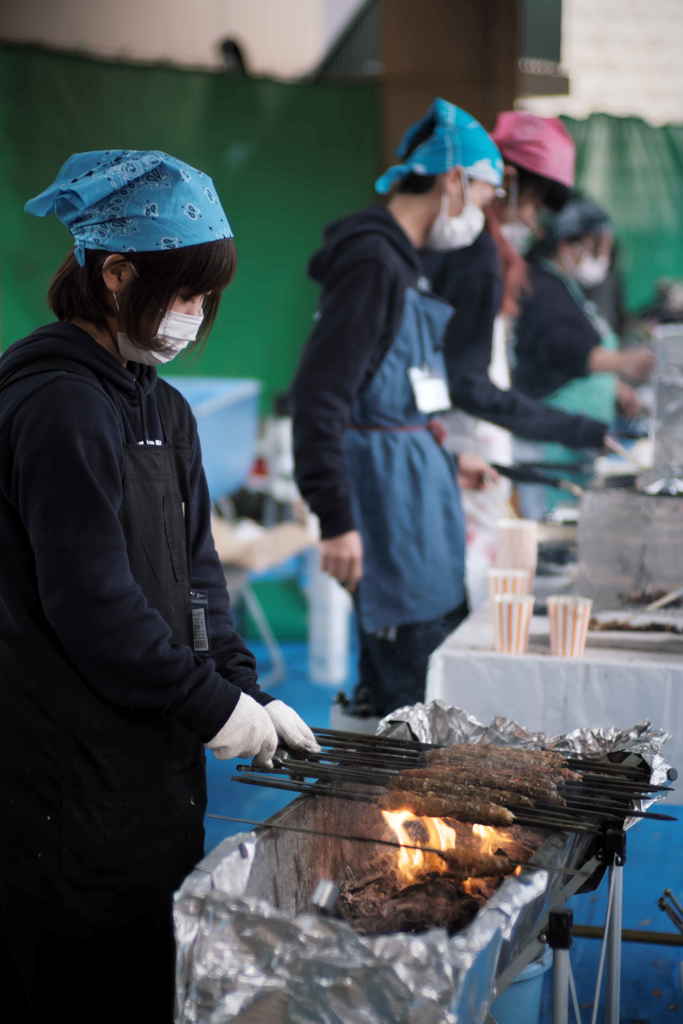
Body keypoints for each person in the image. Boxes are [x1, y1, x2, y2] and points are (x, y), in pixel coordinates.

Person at [0, 150, 318, 1023]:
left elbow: (197, 577)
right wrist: (212, 709)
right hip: (60, 772)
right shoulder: (58, 405)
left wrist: (243, 686)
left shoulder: (162, 408)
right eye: (183, 294)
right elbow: (93, 607)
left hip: (145, 761)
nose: (194, 316)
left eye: (206, 299)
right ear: (115, 272)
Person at [292, 98, 501, 720]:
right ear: (453, 180)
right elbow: (321, 392)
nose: (482, 216)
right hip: (386, 510)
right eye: (485, 198)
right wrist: (335, 516)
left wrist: (442, 457)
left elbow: (385, 393)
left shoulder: (399, 262)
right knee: (407, 697)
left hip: (414, 488)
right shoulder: (372, 261)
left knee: (430, 672)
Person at [419, 113, 620, 599]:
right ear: (501, 180)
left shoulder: (489, 257)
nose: (532, 220)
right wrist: (580, 430)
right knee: (448, 603)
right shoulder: (473, 255)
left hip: (464, 450)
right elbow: (467, 384)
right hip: (452, 446)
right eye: (530, 203)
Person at [512, 195, 654, 516]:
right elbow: (565, 349)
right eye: (597, 247)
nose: (604, 258)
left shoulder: (568, 288)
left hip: (575, 445)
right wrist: (625, 362)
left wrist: (615, 388)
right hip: (549, 443)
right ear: (567, 244)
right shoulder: (542, 287)